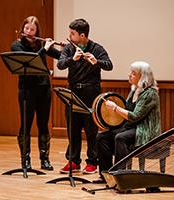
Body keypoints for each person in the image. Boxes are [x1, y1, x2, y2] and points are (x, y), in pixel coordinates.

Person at [57, 18, 113, 174]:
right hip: (73, 92)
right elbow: (60, 64)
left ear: (82, 35)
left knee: (90, 129)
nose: (70, 36)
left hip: (91, 93)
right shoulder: (69, 49)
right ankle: (73, 161)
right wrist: (72, 59)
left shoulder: (96, 48)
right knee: (72, 128)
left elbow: (109, 65)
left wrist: (97, 62)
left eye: (72, 33)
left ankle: (92, 162)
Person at [94, 61, 161, 183]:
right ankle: (106, 175)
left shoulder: (150, 93)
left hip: (145, 130)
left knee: (120, 137)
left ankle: (121, 176)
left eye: (133, 73)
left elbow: (135, 116)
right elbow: (127, 111)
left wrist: (115, 108)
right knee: (102, 136)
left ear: (143, 77)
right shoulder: (135, 90)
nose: (129, 75)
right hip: (132, 127)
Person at [10, 16, 62, 171]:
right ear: (22, 29)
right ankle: (25, 160)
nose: (29, 32)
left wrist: (66, 48)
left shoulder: (41, 44)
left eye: (32, 30)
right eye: (26, 29)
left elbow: (60, 56)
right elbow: (32, 59)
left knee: (43, 125)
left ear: (37, 31)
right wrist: (44, 49)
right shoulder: (17, 45)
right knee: (25, 125)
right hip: (26, 90)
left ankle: (44, 159)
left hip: (44, 89)